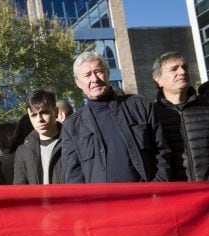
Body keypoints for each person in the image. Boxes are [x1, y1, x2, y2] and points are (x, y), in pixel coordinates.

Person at [61, 51, 170, 183]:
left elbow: (162, 151)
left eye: (99, 71)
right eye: (87, 75)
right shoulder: (72, 126)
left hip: (144, 198)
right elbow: (73, 175)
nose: (94, 79)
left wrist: (156, 188)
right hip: (100, 202)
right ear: (78, 83)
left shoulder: (140, 106)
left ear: (108, 73)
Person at [152, 51, 209, 181]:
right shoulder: (152, 115)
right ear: (158, 80)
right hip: (176, 195)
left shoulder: (205, 107)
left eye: (185, 67)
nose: (182, 72)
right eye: (174, 69)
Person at [14, 89, 64, 185]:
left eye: (44, 112)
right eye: (33, 115)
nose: (39, 119)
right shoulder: (23, 151)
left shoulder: (71, 142)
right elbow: (19, 189)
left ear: (56, 112)